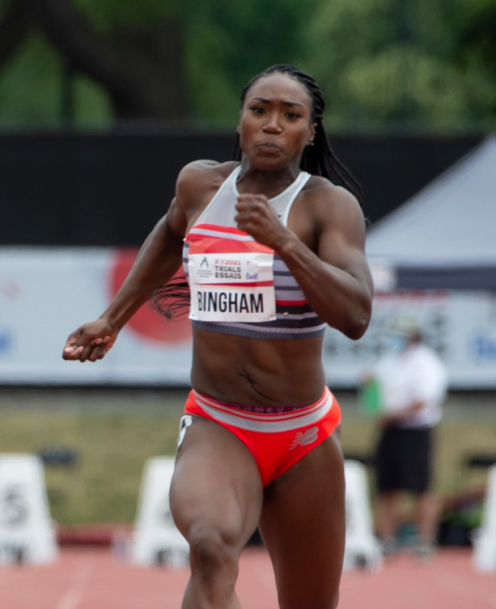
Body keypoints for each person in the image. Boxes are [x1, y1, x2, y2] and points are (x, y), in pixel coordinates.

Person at [63, 64, 372, 608]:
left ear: (310, 131)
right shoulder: (200, 184)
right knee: (209, 548)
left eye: (290, 115)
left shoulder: (329, 207)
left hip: (303, 434)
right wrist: (112, 318)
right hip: (218, 422)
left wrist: (285, 244)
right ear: (241, 120)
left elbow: (355, 315)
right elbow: (168, 232)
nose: (272, 125)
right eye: (260, 111)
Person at [370, 316, 447, 561]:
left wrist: (393, 415)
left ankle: (425, 542)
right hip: (390, 431)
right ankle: (387, 541)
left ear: (413, 336)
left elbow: (424, 400)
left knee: (421, 488)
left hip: (415, 432)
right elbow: (376, 391)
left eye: (401, 335)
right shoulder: (389, 360)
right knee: (386, 487)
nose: (397, 339)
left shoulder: (426, 363)